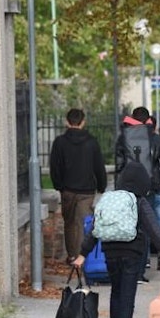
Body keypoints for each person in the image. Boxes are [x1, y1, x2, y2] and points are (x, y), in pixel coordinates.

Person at [73, 161, 160, 318]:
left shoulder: (109, 200)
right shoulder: (138, 201)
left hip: (110, 252)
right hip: (132, 253)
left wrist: (83, 254)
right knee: (127, 296)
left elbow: (94, 229)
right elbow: (153, 228)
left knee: (116, 293)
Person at [114, 106, 160, 277]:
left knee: (129, 227)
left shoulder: (122, 138)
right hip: (149, 187)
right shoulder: (155, 138)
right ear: (148, 119)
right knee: (146, 226)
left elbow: (119, 166)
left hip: (126, 190)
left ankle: (129, 269)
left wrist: (117, 188)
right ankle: (141, 270)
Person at [49, 108, 108, 264]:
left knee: (69, 223)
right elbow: (98, 166)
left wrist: (59, 185)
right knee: (84, 222)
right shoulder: (92, 142)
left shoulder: (59, 142)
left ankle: (72, 255)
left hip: (67, 189)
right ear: (83, 122)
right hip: (87, 189)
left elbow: (54, 166)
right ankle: (83, 257)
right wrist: (102, 186)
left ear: (67, 122)